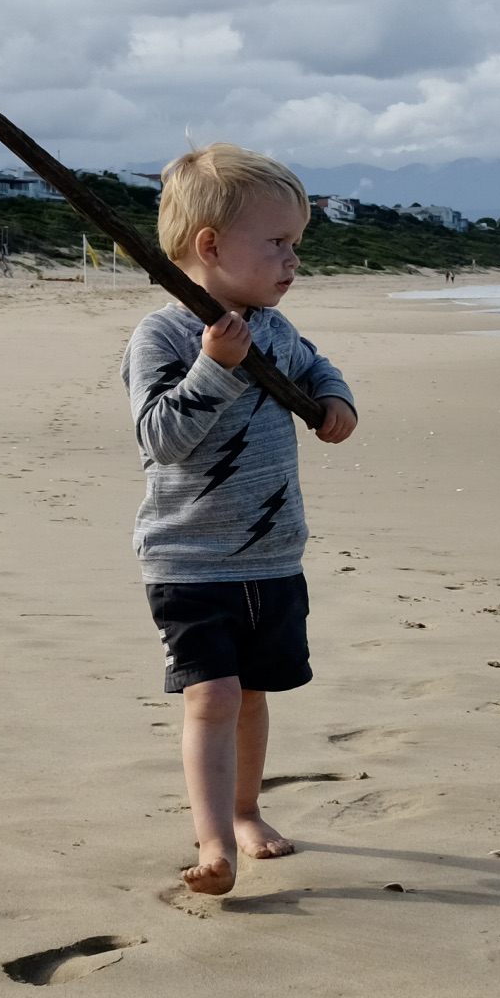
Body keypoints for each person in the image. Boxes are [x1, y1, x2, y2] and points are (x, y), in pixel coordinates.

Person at [122, 144, 360, 895]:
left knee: (252, 694)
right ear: (211, 245)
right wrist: (215, 366)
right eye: (278, 242)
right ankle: (214, 842)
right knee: (214, 696)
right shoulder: (163, 337)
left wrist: (336, 401)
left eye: (297, 244)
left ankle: (246, 809)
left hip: (272, 555)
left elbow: (316, 366)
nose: (294, 260)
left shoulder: (277, 330)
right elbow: (161, 438)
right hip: (189, 559)